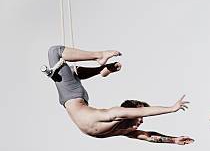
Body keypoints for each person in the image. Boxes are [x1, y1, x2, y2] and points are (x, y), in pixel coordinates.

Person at [43, 45, 194, 144]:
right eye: (138, 117)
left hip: (73, 97)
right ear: (129, 113)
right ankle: (99, 57)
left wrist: (174, 140)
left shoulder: (124, 129)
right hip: (73, 96)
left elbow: (148, 136)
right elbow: (144, 112)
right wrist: (172, 108)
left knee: (67, 66)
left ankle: (102, 70)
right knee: (55, 53)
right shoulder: (116, 114)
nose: (141, 122)